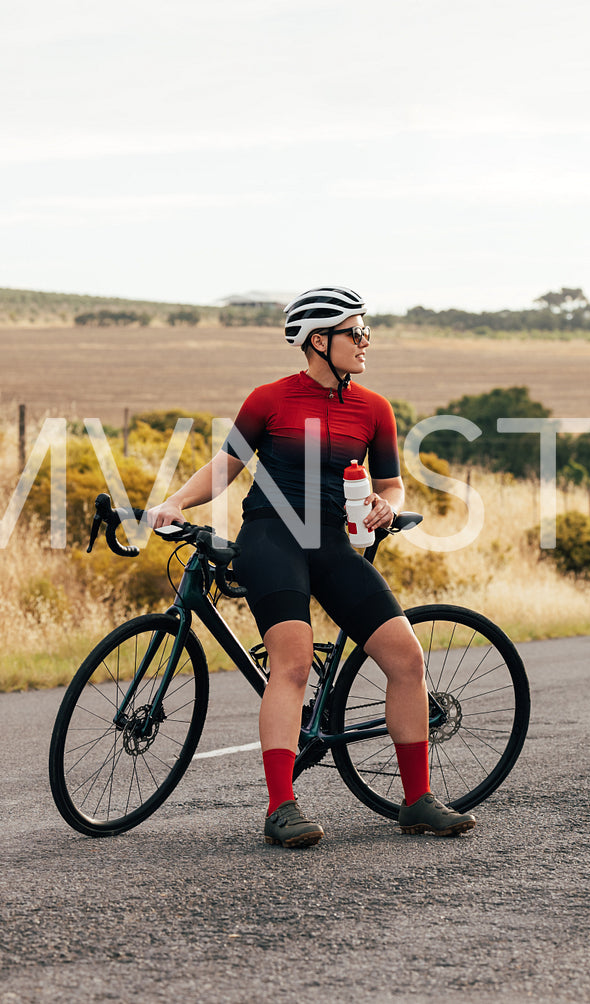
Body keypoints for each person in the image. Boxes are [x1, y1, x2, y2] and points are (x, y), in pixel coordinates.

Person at [145, 286, 476, 847]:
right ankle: (281, 808)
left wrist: (385, 505)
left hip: (331, 544)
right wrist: (175, 502)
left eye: (366, 331)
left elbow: (391, 482)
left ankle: (417, 801)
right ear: (318, 341)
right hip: (272, 538)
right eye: (356, 332)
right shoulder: (270, 399)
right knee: (293, 664)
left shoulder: (374, 408)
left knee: (406, 657)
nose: (366, 341)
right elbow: (226, 466)